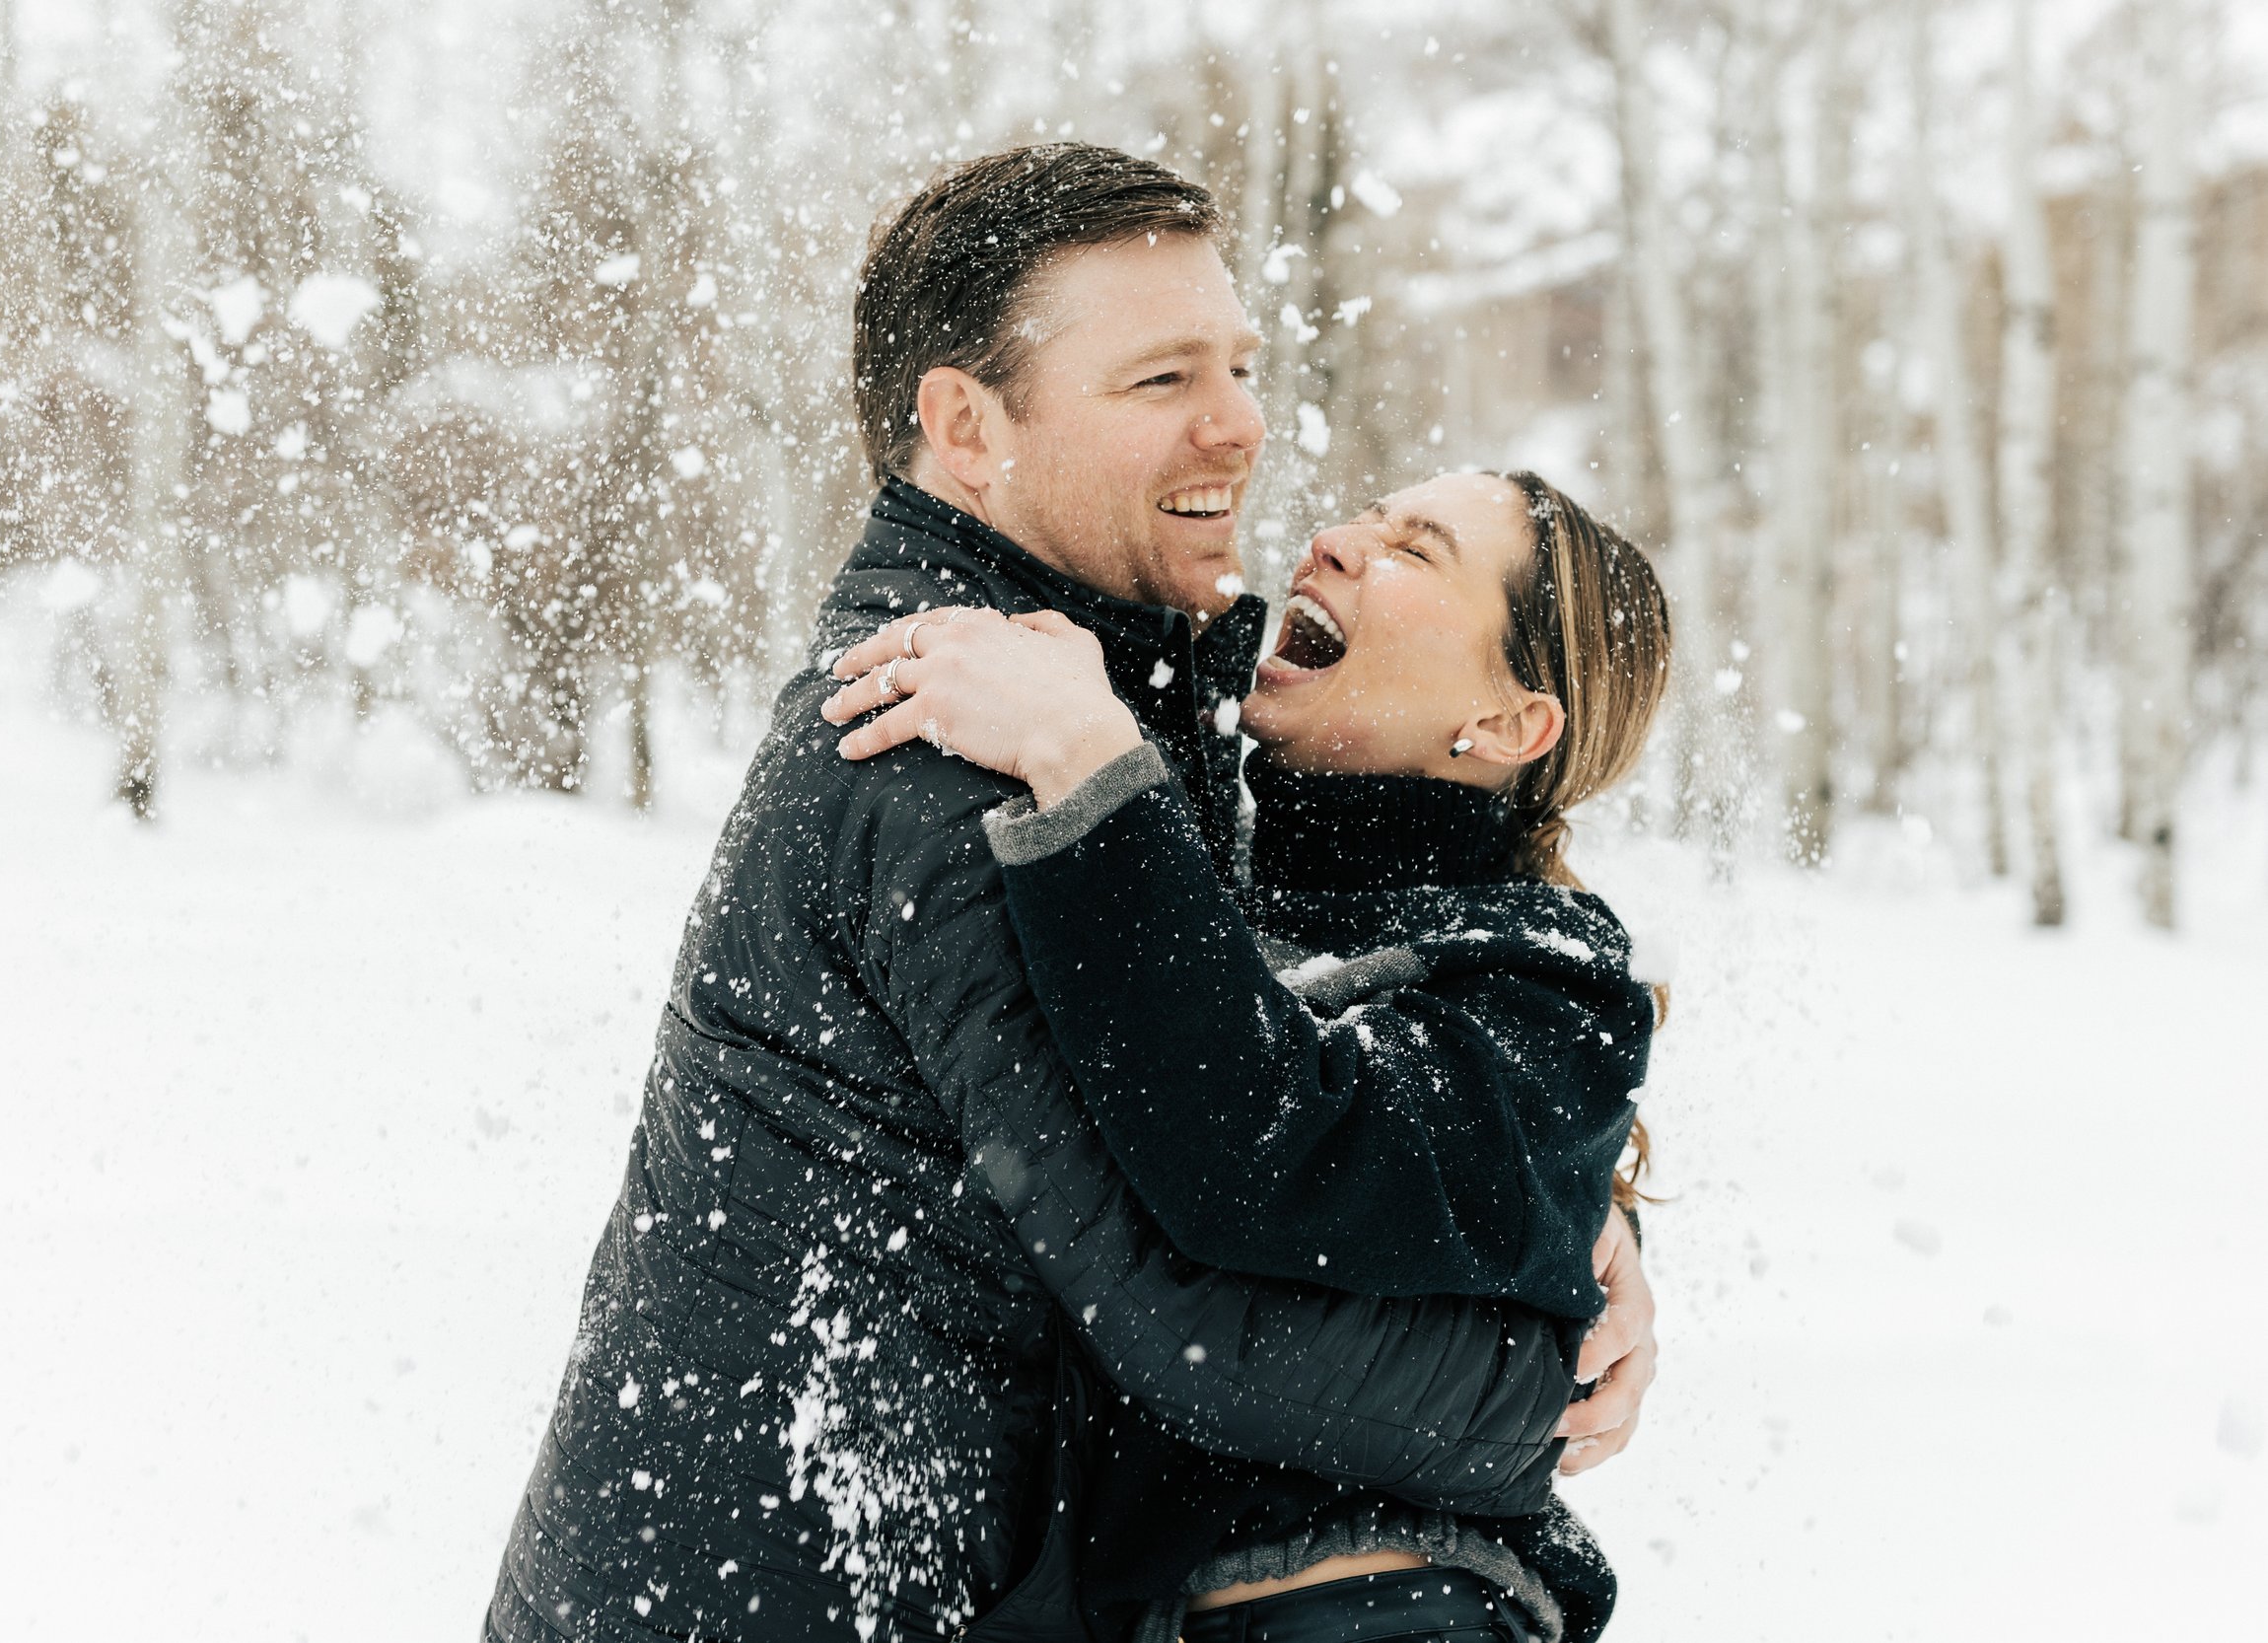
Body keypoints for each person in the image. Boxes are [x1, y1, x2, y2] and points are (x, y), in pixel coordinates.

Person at [484, 144, 1658, 1643]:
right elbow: (1192, 1310)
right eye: (1162, 379)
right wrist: (1531, 1374)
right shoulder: (948, 745)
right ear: (969, 428)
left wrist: (1531, 1199)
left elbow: (1349, 998)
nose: (1240, 424)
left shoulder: (1102, 688)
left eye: (1239, 362)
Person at [823, 469, 1669, 1642]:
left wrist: (1083, 754)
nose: (1334, 540)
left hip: (1381, 1611)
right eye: (1366, 516)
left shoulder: (1544, 980)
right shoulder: (1224, 873)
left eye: (1414, 551)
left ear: (1507, 723)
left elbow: (1271, 1149)